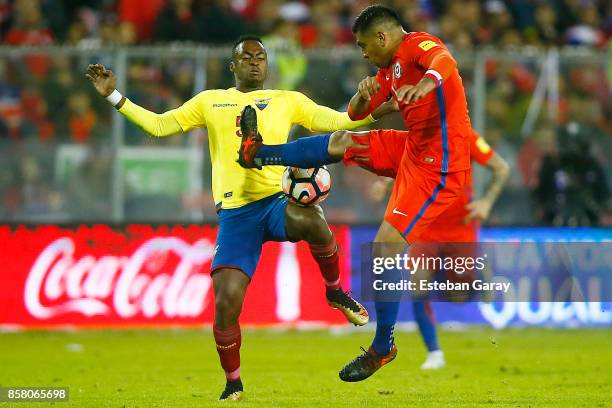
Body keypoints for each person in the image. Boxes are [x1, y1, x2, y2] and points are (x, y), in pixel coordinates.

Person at [85, 35, 387, 401]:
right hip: (236, 215)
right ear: (233, 66)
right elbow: (159, 126)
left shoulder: (286, 101)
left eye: (261, 57)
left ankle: (335, 291)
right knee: (226, 303)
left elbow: (338, 121)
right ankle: (233, 382)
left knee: (311, 216)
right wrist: (114, 96)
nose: (256, 63)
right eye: (247, 58)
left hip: (276, 202)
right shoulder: (211, 101)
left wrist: (374, 109)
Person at [236, 5, 474, 381]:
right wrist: (365, 96)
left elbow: (444, 62)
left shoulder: (418, 46)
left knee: (385, 247)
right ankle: (258, 153)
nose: (362, 53)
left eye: (364, 45)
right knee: (343, 140)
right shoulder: (388, 71)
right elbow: (356, 111)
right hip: (413, 148)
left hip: (440, 166)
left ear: (382, 37)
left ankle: (383, 347)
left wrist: (425, 84)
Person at [370, 129, 509, 369]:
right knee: (418, 282)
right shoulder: (420, 136)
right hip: (426, 226)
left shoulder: (468, 138)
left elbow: (502, 168)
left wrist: (486, 202)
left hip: (460, 228)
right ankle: (434, 352)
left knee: (458, 297)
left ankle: (480, 278)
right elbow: (402, 163)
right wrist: (384, 183)